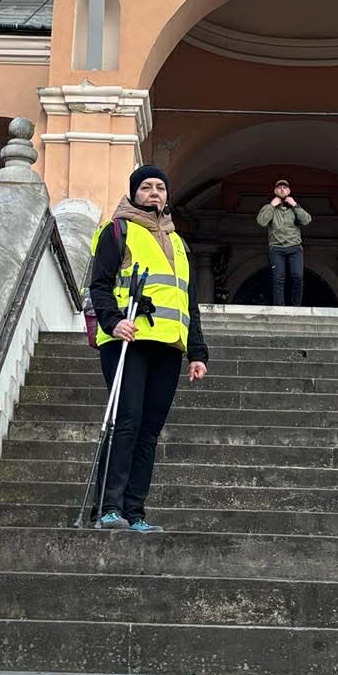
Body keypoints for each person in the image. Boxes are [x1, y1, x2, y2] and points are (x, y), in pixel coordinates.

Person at [87, 164, 209, 532]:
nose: (154, 192)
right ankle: (108, 508)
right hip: (128, 339)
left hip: (169, 345)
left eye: (160, 187)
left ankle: (134, 511)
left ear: (167, 195)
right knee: (127, 421)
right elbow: (99, 285)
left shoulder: (178, 243)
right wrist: (112, 321)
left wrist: (197, 352)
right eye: (146, 187)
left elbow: (188, 301)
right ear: (134, 193)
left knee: (150, 430)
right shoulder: (117, 230)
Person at [257, 179, 312, 306]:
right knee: (278, 278)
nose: (282, 189)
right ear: (275, 191)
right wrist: (271, 206)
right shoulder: (269, 207)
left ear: (289, 191)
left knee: (297, 276)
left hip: (295, 247)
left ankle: (296, 306)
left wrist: (295, 205)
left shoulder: (295, 207)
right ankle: (279, 307)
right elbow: (262, 222)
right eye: (279, 187)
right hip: (276, 248)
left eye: (285, 187)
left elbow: (306, 220)